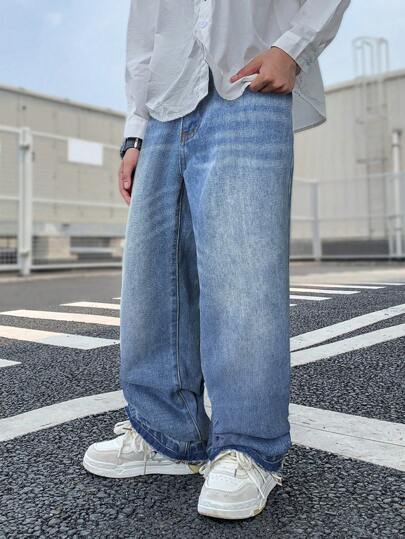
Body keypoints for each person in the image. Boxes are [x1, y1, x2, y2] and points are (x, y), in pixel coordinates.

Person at [83, 0, 350, 520]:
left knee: (242, 275)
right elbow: (145, 30)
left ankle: (249, 447)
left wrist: (292, 49)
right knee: (152, 279)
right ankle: (164, 434)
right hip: (164, 106)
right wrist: (135, 129)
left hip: (249, 82)